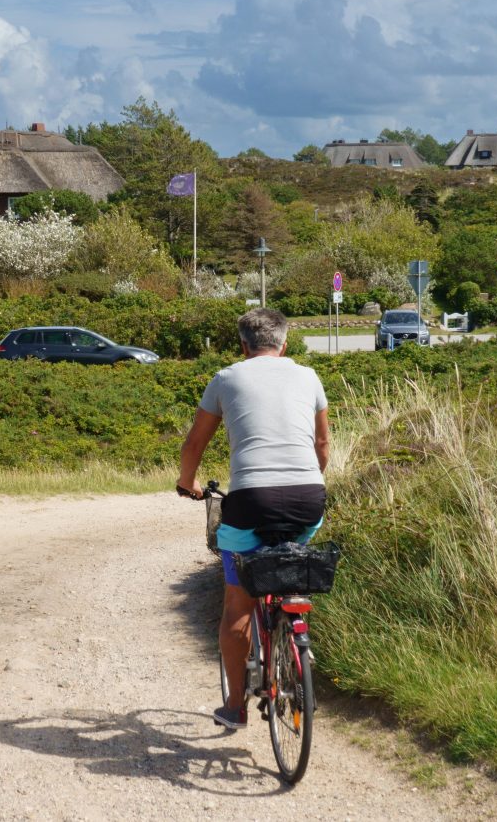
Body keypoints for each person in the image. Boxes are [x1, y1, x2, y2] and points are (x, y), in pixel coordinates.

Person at [177, 307, 329, 729]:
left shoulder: (226, 378)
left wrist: (186, 482)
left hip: (250, 501)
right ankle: (291, 629)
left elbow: (194, 443)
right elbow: (322, 446)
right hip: (308, 499)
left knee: (237, 608)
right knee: (288, 562)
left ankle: (236, 707)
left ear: (242, 345)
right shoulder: (309, 377)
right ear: (285, 343)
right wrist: (305, 484)